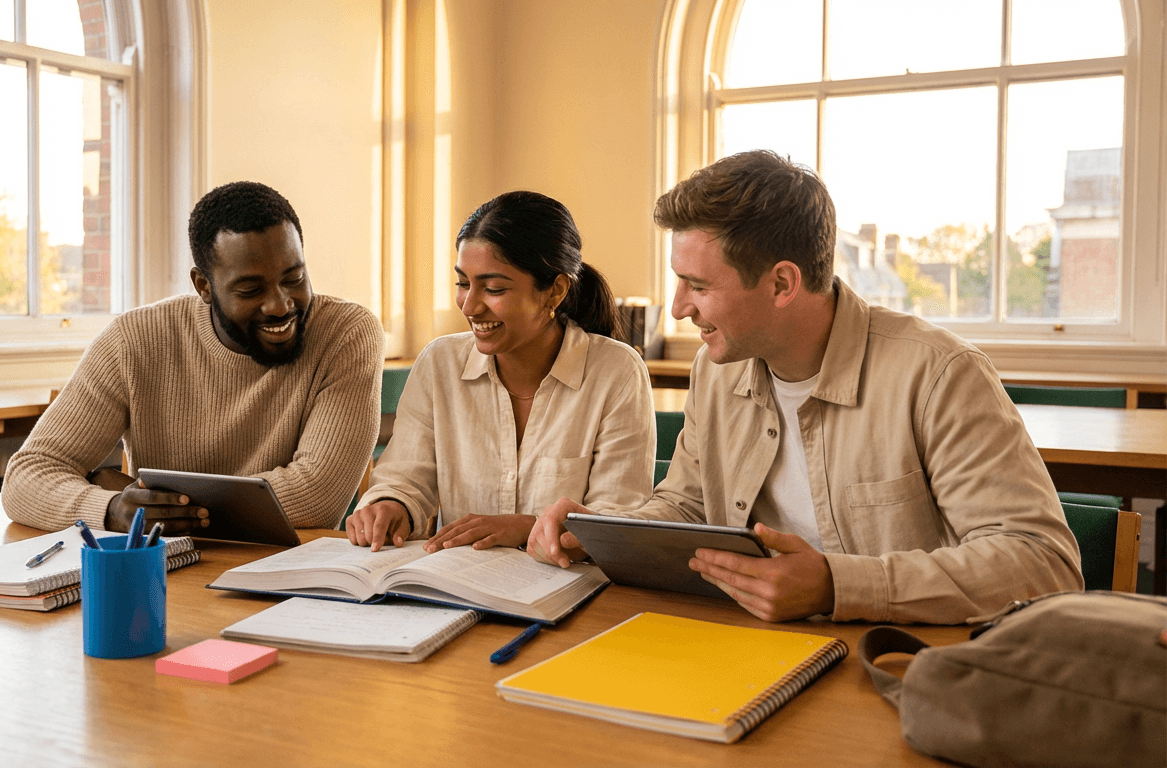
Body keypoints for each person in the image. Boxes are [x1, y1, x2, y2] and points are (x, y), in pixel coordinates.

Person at [528, 151, 1083, 625]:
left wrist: (837, 586)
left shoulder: (939, 374)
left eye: (698, 285)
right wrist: (599, 533)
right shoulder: (716, 369)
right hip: (748, 645)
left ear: (782, 283)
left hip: (897, 663)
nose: (677, 308)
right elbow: (688, 506)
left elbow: (1043, 563)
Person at [3, 181, 383, 534]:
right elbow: (26, 478)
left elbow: (317, 496)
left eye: (294, 279)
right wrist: (112, 507)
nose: (280, 305)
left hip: (288, 574)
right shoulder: (135, 340)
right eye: (251, 290)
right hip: (167, 569)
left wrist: (153, 504)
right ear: (204, 286)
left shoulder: (346, 333)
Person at [349, 190, 655, 552]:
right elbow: (403, 479)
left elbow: (615, 522)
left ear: (555, 291)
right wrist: (390, 505)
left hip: (569, 581)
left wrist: (528, 528)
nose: (469, 306)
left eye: (493, 288)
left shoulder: (617, 372)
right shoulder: (439, 363)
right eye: (463, 284)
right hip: (457, 579)